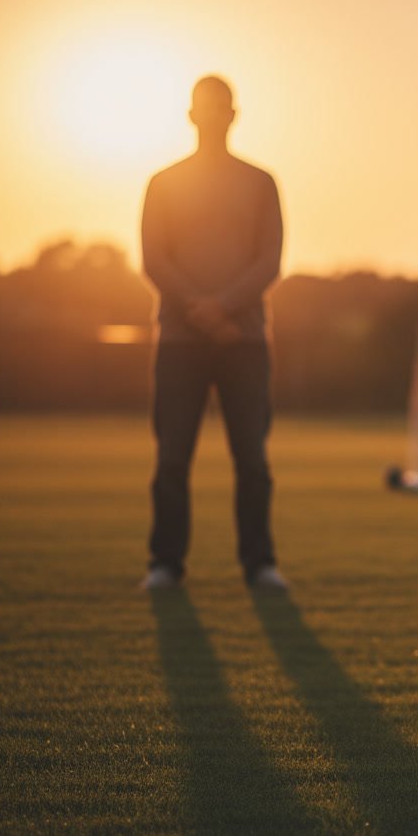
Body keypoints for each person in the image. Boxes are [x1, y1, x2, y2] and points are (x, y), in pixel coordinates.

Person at [139, 75, 287, 592]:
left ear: (233, 114)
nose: (213, 116)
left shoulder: (260, 182)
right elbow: (153, 258)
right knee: (172, 457)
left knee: (251, 458)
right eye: (205, 108)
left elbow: (269, 259)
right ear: (191, 115)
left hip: (243, 341)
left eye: (221, 108)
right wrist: (198, 310)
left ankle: (259, 564)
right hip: (179, 343)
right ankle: (165, 564)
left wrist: (223, 307)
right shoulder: (163, 182)